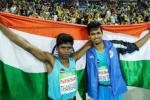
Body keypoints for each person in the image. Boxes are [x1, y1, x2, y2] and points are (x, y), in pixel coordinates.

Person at [0, 23, 91, 100]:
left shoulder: (73, 59)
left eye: (69, 48)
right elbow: (28, 46)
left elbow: (88, 45)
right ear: (57, 48)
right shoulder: (51, 60)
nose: (66, 51)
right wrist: (1, 26)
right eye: (63, 48)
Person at [86, 21, 150, 100]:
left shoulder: (113, 46)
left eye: (98, 33)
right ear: (89, 35)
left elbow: (134, 46)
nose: (96, 36)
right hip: (99, 91)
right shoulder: (87, 52)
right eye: (93, 34)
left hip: (115, 89)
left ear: (102, 33)